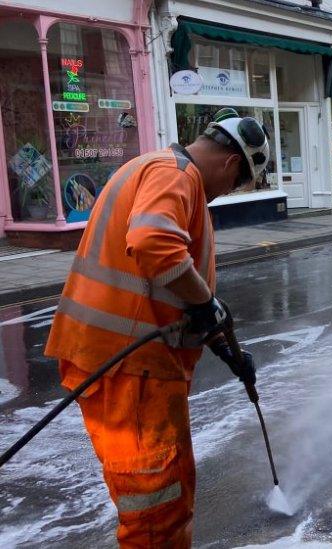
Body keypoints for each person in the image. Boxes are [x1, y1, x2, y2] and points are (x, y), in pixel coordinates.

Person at [44, 107, 268, 547]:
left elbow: (166, 285)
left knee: (168, 495)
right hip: (130, 369)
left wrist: (221, 342)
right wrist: (207, 304)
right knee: (156, 511)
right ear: (231, 163)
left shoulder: (152, 166)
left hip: (126, 363)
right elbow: (154, 244)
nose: (224, 193)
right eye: (234, 184)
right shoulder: (177, 176)